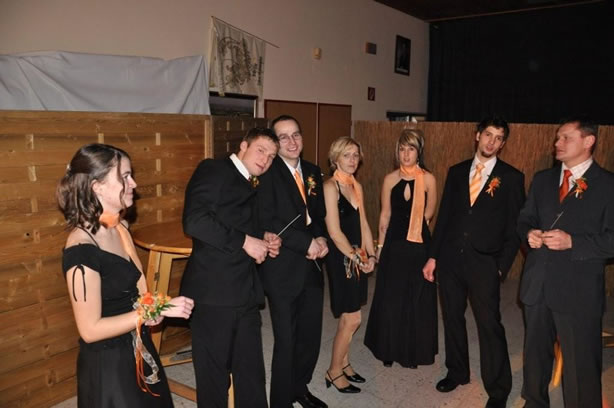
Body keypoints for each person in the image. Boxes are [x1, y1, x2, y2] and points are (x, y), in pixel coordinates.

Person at [57, 143, 194, 408]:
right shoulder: (81, 251)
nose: (133, 184)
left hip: (137, 345)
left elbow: (136, 294)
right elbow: (90, 330)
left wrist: (154, 309)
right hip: (108, 363)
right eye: (125, 177)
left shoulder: (118, 227)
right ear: (97, 186)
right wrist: (156, 309)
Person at [422, 117, 525, 408]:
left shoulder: (511, 177)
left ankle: (498, 389)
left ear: (503, 144)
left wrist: (501, 267)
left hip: (485, 263)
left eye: (499, 138)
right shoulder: (456, 172)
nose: (492, 142)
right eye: (488, 135)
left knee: (489, 324)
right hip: (450, 260)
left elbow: (516, 227)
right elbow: (444, 217)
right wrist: (433, 256)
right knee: (452, 317)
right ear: (477, 135)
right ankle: (457, 371)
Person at [180, 128, 281, 408]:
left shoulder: (251, 182)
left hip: (245, 291)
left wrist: (264, 237)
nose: (266, 160)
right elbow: (195, 221)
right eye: (261, 150)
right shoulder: (214, 169)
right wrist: (246, 242)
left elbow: (237, 222)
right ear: (244, 146)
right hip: (213, 293)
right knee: (214, 381)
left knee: (252, 376)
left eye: (272, 156)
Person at [517, 117, 614, 408]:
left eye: (566, 138)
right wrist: (529, 234)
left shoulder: (608, 185)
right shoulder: (542, 180)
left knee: (581, 365)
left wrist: (573, 242)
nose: (557, 143)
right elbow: (525, 219)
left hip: (578, 290)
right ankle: (535, 402)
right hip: (538, 283)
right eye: (557, 137)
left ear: (588, 141)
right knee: (535, 357)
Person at [257, 115, 329, 408]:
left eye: (296, 134)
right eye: (283, 137)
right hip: (282, 268)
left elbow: (318, 214)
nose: (292, 141)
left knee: (310, 336)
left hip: (312, 265)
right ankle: (280, 400)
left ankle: (300, 388)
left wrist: (321, 238)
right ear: (275, 143)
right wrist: (305, 243)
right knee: (286, 339)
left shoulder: (312, 171)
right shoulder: (266, 172)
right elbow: (267, 219)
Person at [364, 129, 438, 369]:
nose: (406, 154)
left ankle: (411, 352)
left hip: (418, 246)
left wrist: (415, 232)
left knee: (415, 299)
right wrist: (380, 247)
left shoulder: (429, 179)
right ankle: (388, 348)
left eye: (411, 149)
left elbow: (429, 214)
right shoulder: (390, 179)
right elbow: (385, 215)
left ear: (419, 152)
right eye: (402, 149)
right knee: (391, 298)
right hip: (394, 245)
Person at [323, 136, 377, 394]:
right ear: (335, 158)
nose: (353, 160)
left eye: (356, 155)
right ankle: (334, 371)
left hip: (358, 254)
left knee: (349, 315)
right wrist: (357, 257)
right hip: (341, 258)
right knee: (353, 318)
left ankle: (344, 363)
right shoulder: (330, 187)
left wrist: (371, 255)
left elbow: (364, 223)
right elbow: (334, 232)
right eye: (346, 155)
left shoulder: (356, 185)